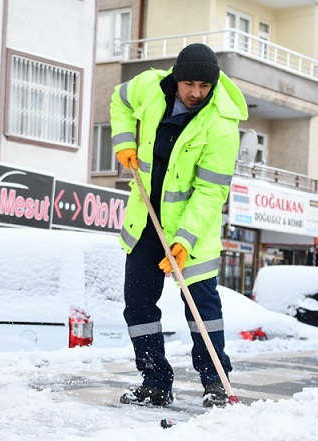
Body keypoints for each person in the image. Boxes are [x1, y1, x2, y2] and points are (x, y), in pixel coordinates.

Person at [110, 43, 248, 407]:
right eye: (189, 84)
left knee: (202, 308)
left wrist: (184, 240)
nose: (195, 94)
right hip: (147, 222)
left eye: (204, 87)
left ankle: (215, 381)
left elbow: (210, 191)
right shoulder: (149, 88)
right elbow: (118, 99)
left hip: (193, 231)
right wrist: (124, 141)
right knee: (138, 303)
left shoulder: (222, 125)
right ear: (176, 77)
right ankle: (155, 380)